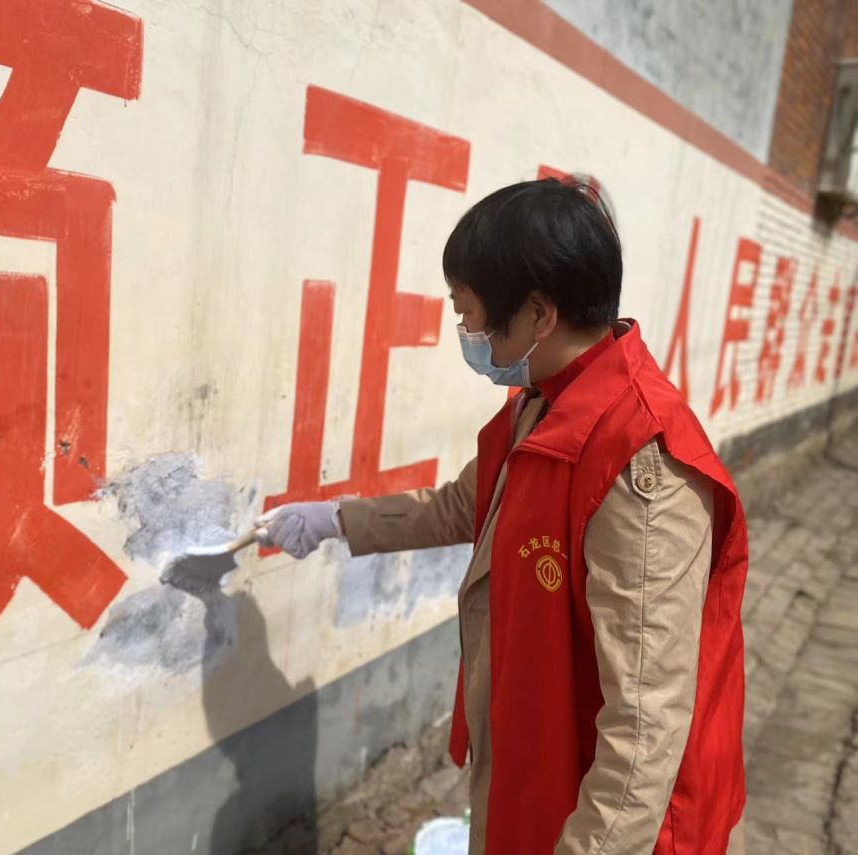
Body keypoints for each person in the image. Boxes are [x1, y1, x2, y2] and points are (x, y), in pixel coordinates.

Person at [257, 178, 748, 854]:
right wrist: (335, 520)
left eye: (471, 317)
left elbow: (644, 728)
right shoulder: (546, 404)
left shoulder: (642, 464)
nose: (467, 336)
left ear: (539, 314)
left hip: (609, 816)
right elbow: (467, 504)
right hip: (540, 759)